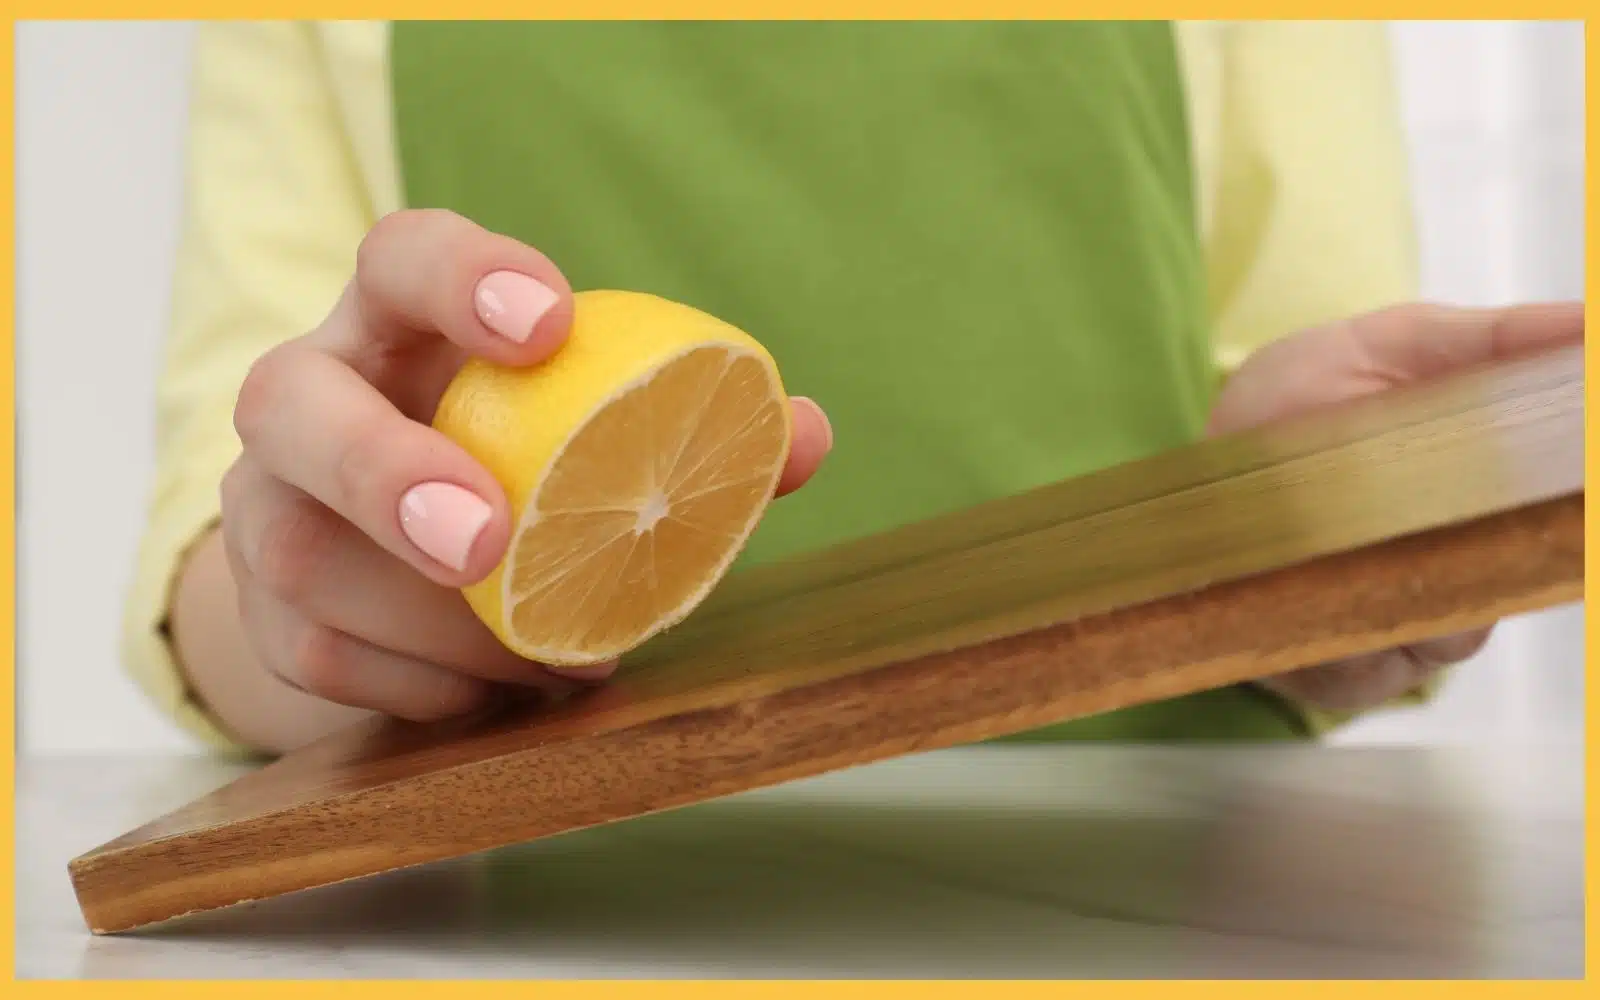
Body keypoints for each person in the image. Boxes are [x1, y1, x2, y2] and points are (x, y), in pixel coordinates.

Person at [125, 20, 1582, 757]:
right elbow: (219, 534)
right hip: (548, 915)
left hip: (1157, 873)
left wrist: (1299, 528)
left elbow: (1318, 370)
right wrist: (314, 591)